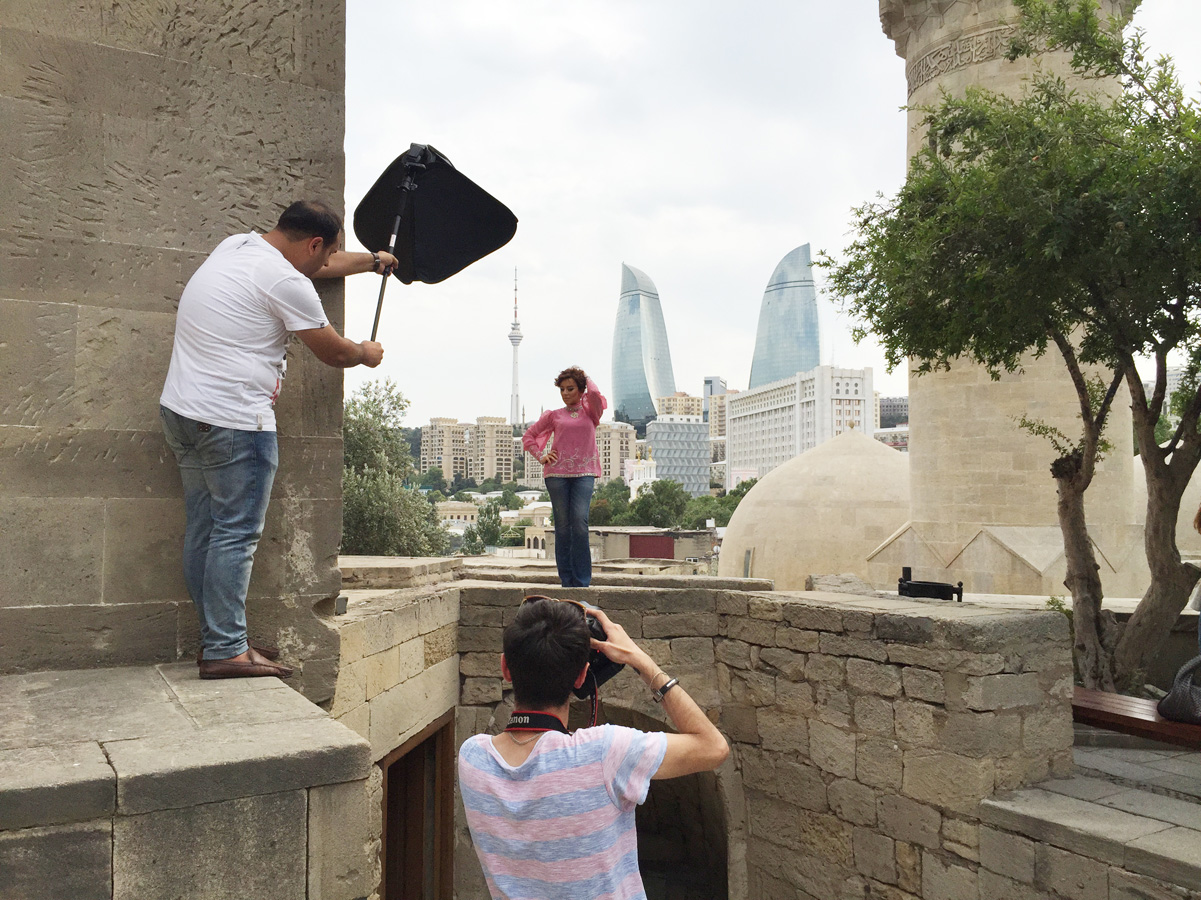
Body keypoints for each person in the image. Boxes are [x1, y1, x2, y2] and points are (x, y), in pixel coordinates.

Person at [160, 199, 391, 679]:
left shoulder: (237, 245)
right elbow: (332, 350)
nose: (325, 265)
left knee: (205, 530)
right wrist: (366, 353)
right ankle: (225, 648)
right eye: (324, 254)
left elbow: (325, 264)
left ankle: (220, 638)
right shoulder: (289, 282)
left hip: (182, 412)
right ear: (312, 244)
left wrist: (372, 262)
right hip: (234, 423)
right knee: (235, 536)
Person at [458, 596, 729, 900]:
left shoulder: (472, 758)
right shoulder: (606, 752)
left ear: (506, 668)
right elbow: (713, 747)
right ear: (581, 676)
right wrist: (639, 659)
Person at [522, 367, 606, 587]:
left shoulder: (591, 412)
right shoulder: (554, 415)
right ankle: (567, 580)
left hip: (584, 474)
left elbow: (596, 395)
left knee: (579, 522)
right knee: (562, 526)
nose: (566, 393)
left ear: (581, 390)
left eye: (571, 388)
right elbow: (528, 437)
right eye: (562, 389)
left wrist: (585, 377)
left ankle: (583, 581)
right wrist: (541, 456)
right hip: (557, 474)